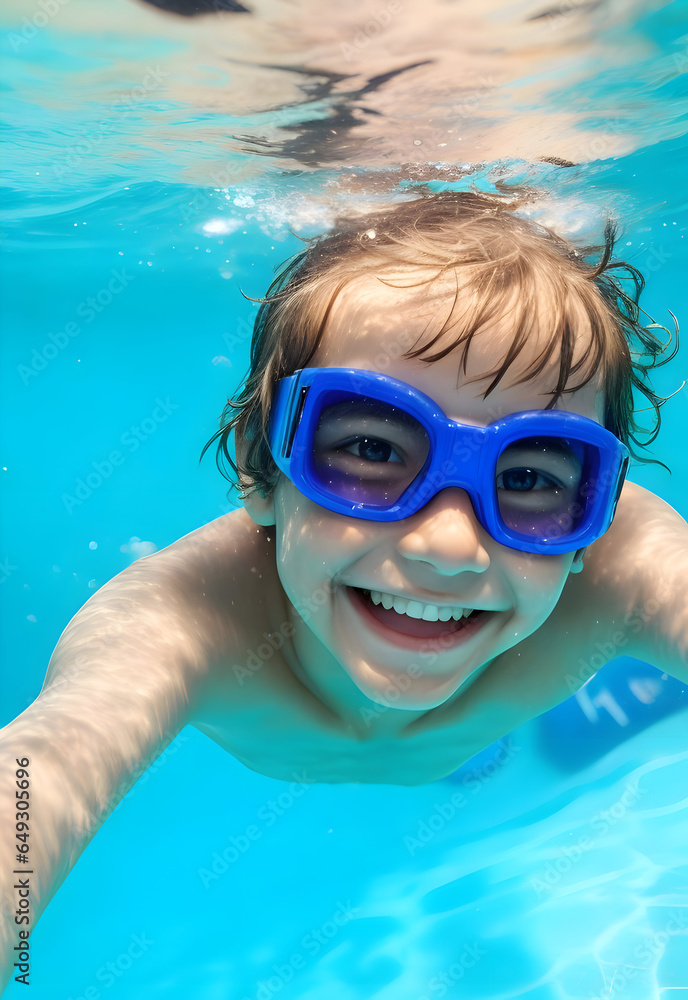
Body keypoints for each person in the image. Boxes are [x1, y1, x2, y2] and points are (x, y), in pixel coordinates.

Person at [1, 188, 686, 983]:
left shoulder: (624, 570)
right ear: (261, 467)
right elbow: (33, 778)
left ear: (591, 520)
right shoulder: (185, 618)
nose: (450, 546)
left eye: (530, 473)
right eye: (371, 446)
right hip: (469, 648)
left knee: (471, 735)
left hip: (472, 680)